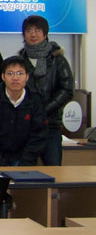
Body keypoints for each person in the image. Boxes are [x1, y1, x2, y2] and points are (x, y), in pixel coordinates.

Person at [19, 15, 74, 166]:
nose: (33, 34)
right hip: (25, 126)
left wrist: (43, 110)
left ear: (45, 34)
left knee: (54, 169)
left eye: (37, 30)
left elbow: (67, 90)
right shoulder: (20, 60)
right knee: (23, 171)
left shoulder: (57, 59)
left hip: (50, 125)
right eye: (29, 30)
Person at [0, 56, 48, 166]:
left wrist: (25, 164)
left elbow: (38, 135)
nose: (15, 78)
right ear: (3, 76)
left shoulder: (35, 100)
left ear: (27, 76)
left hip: (24, 159)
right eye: (10, 73)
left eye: (20, 73)